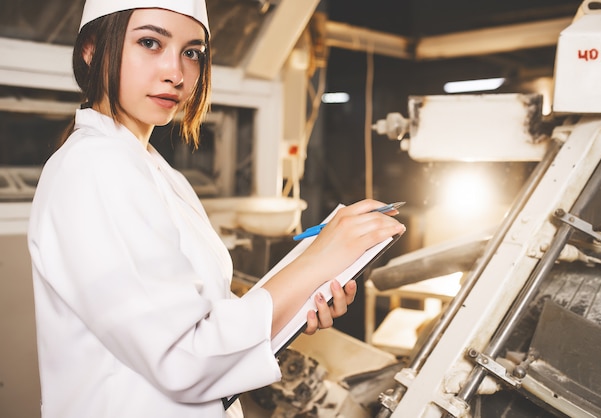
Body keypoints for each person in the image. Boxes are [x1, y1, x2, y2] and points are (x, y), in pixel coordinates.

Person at [27, 1, 406, 417]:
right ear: (92, 49)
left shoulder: (154, 169)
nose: (176, 72)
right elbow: (183, 360)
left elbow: (211, 324)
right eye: (150, 42)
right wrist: (319, 259)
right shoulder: (94, 168)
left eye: (192, 52)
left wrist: (297, 302)